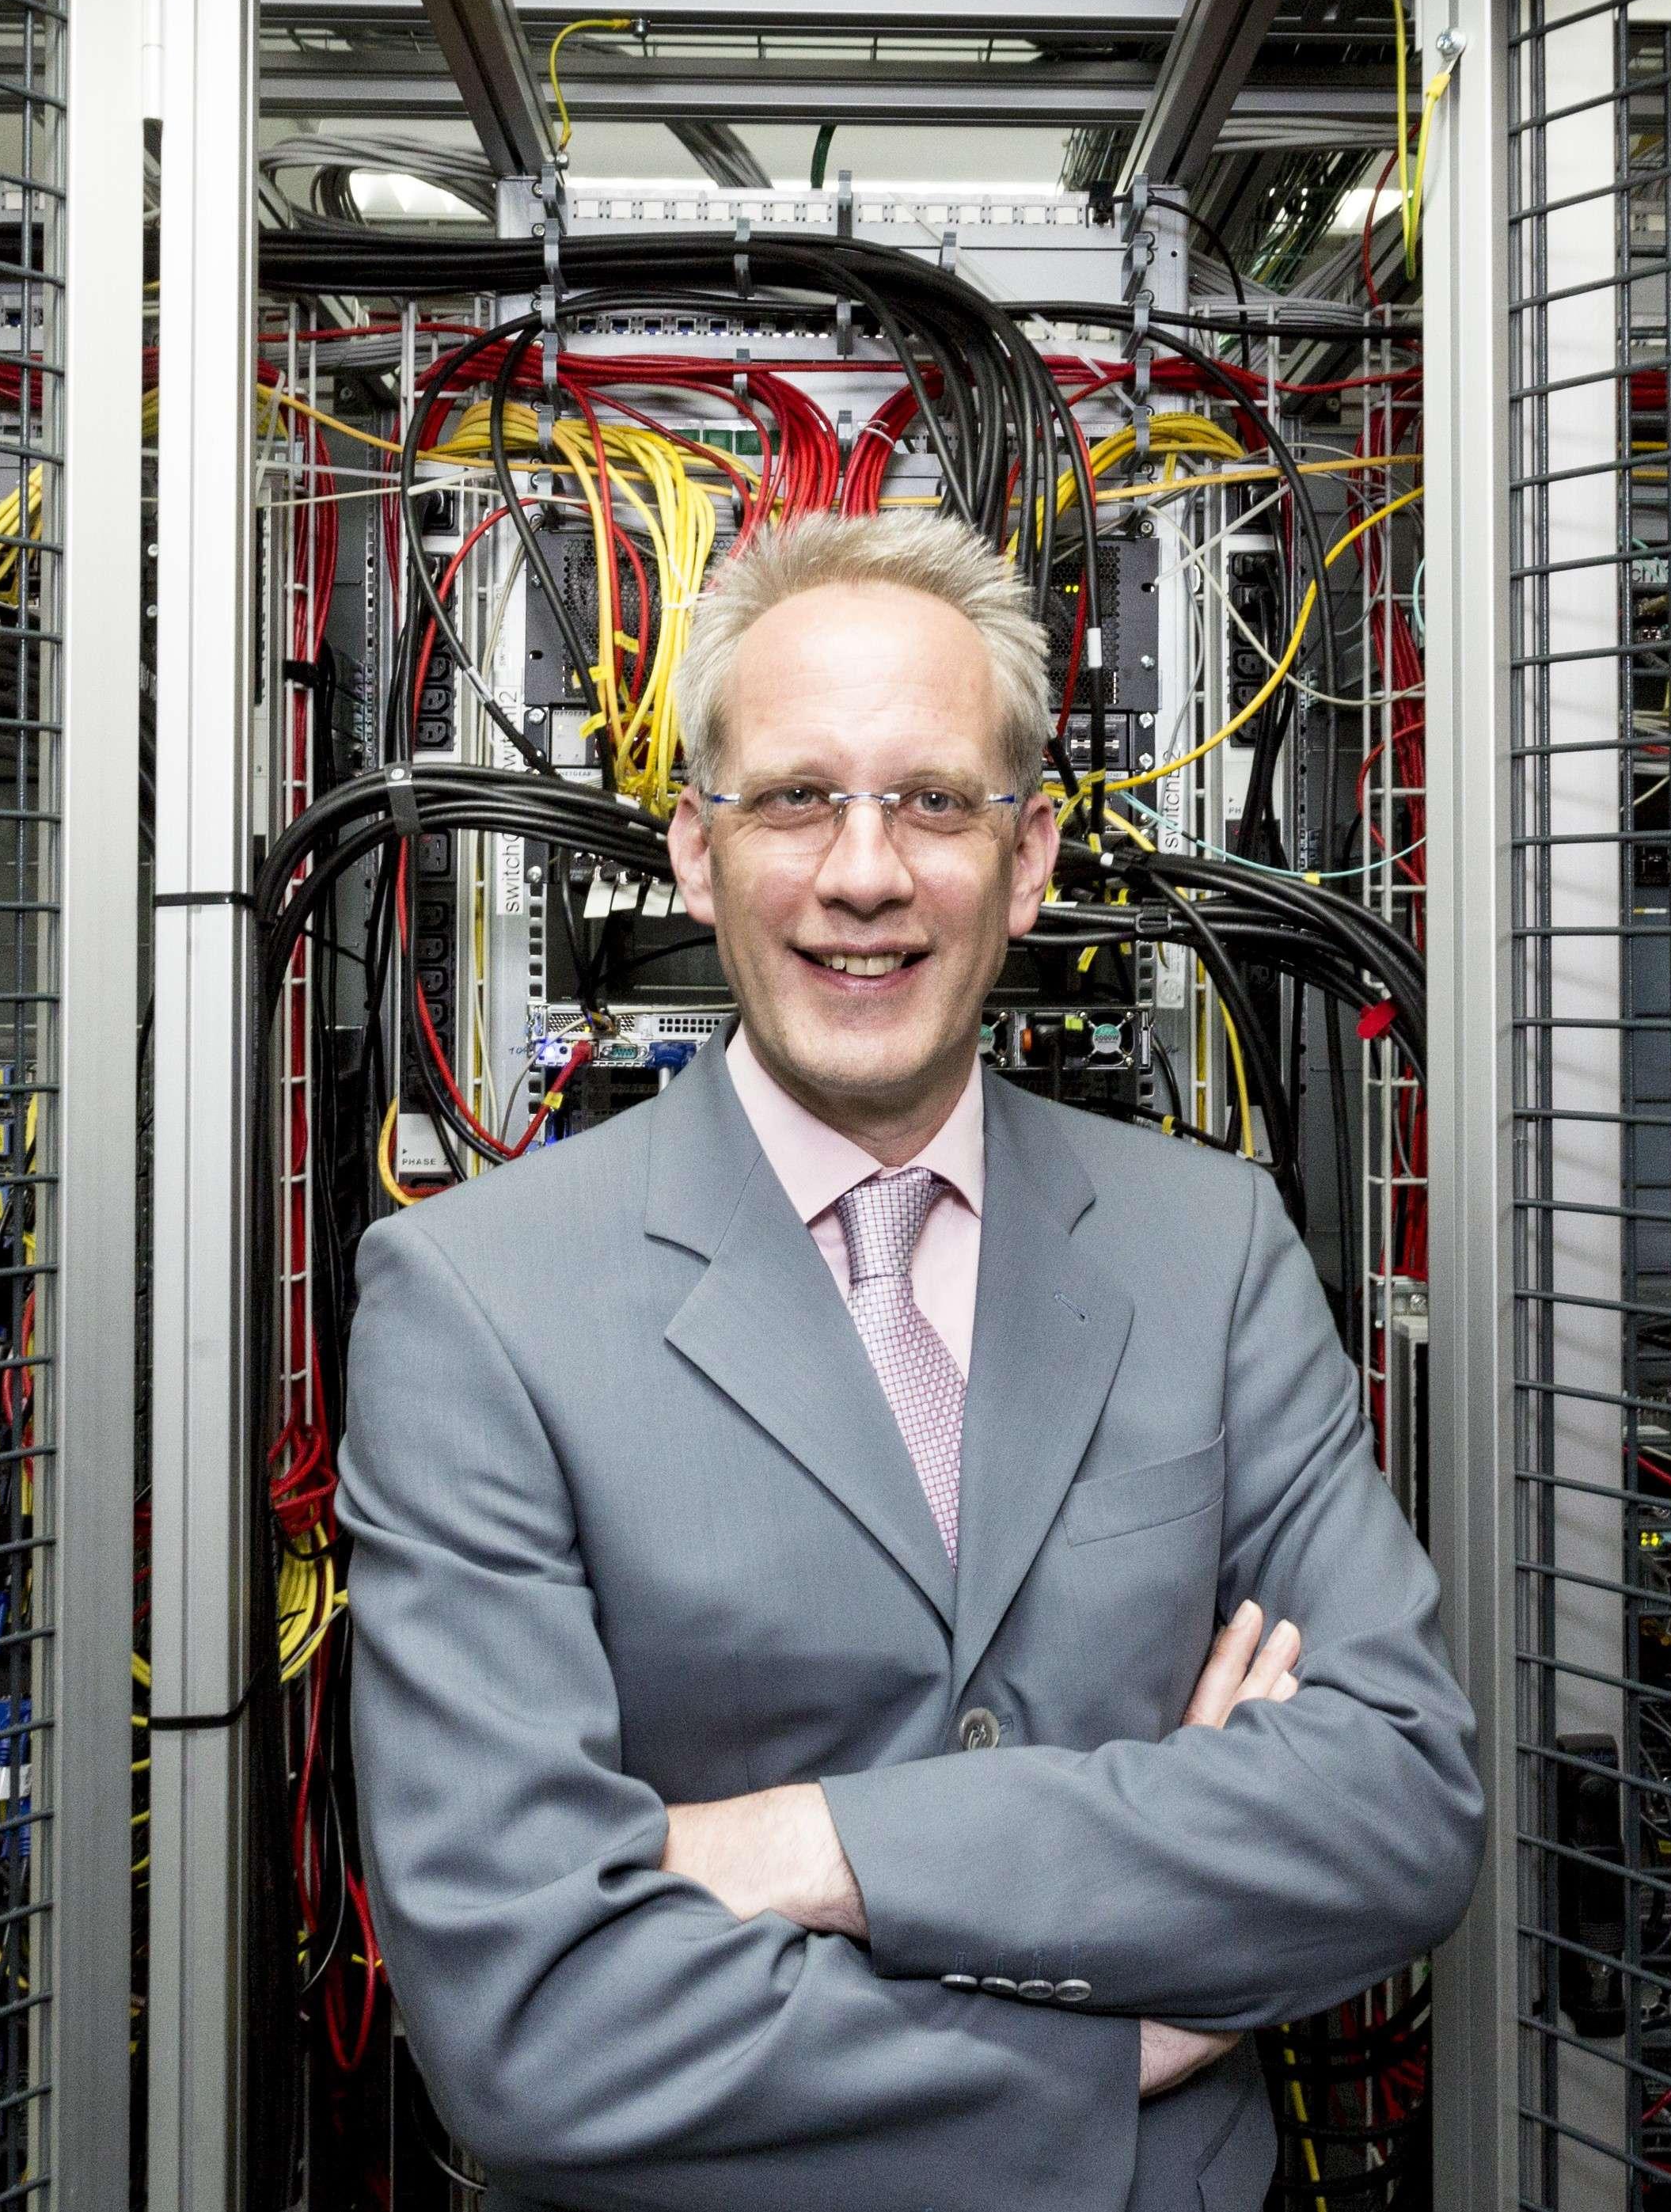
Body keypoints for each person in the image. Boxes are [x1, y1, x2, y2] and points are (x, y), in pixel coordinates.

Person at [338, 511, 1484, 2212]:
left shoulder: (1210, 1248)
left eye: (936, 802)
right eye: (797, 797)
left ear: (1029, 859)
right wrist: (1113, 2036)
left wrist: (808, 1844)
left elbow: (1400, 1805)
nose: (864, 872)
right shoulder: (477, 1302)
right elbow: (528, 2020)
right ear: (696, 851)